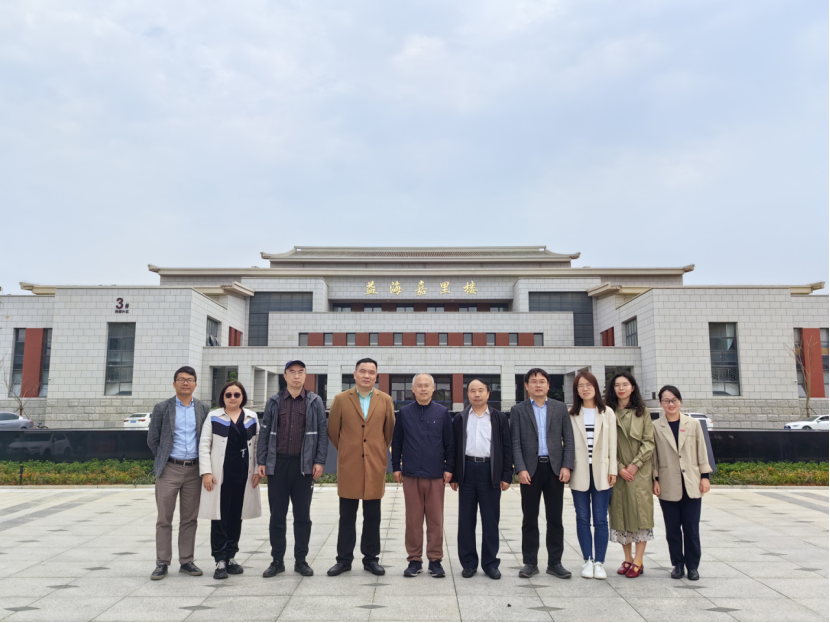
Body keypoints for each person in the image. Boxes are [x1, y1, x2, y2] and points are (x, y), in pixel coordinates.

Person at [256, 360, 328, 578]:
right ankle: (277, 561)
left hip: (303, 466)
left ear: (305, 376)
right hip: (278, 464)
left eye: (301, 372)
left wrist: (319, 460)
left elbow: (322, 432)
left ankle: (301, 560)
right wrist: (261, 461)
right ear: (285, 376)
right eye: (292, 372)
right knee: (277, 516)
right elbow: (264, 432)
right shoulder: (274, 401)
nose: (297, 376)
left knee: (302, 516)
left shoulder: (314, 401)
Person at [327, 358, 396, 577]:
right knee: (347, 516)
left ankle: (371, 559)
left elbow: (389, 432)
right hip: (350, 465)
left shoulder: (385, 400)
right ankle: (343, 560)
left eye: (371, 372)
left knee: (373, 516)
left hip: (374, 465)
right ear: (355, 374)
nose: (367, 375)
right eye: (363, 371)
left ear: (376, 376)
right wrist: (349, 450)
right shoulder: (341, 399)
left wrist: (376, 451)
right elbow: (333, 431)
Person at [146, 366, 211, 580]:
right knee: (164, 518)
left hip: (194, 470)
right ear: (174, 384)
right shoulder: (162, 407)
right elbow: (153, 439)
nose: (185, 383)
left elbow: (206, 438)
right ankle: (162, 563)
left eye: (189, 379)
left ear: (195, 384)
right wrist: (164, 458)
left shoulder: (203, 408)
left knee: (189, 518)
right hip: (169, 469)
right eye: (181, 379)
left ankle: (186, 561)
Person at [510, 368, 575, 580]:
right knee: (529, 518)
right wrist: (520, 468)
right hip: (530, 469)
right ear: (526, 386)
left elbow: (569, 439)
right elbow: (515, 442)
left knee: (555, 518)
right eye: (533, 381)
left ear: (548, 385)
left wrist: (566, 466)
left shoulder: (559, 408)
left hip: (554, 469)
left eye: (542, 381)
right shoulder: (518, 410)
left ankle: (555, 563)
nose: (538, 385)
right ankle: (530, 562)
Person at [392, 374, 455, 579]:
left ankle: (435, 560)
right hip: (411, 474)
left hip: (435, 474)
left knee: (435, 519)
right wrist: (396, 467)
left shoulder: (442, 413)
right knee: (413, 519)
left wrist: (449, 467)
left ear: (433, 388)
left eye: (427, 385)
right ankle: (414, 559)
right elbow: (397, 441)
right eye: (419, 385)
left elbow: (450, 443)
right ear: (413, 389)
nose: (423, 389)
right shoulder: (404, 413)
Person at [450, 378, 513, 580]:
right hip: (467, 470)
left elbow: (507, 447)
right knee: (466, 520)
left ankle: (490, 563)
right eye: (472, 391)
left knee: (490, 520)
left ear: (488, 393)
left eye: (481, 390)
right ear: (467, 394)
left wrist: (506, 475)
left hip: (490, 471)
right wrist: (453, 474)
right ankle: (468, 563)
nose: (477, 394)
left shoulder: (499, 418)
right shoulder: (460, 418)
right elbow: (453, 448)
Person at [198, 381, 262, 580]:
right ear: (223, 397)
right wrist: (206, 472)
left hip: (243, 474)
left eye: (237, 394)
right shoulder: (214, 416)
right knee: (219, 517)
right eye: (228, 395)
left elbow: (258, 445)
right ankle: (220, 559)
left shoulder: (251, 417)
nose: (233, 398)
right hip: (220, 475)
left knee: (236, 516)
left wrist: (257, 470)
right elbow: (204, 445)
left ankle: (231, 556)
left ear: (243, 397)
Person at [652, 385, 712, 582]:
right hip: (667, 483)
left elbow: (702, 450)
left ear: (680, 401)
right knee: (672, 529)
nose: (671, 404)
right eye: (666, 400)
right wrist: (655, 479)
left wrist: (705, 476)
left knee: (691, 528)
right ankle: (677, 564)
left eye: (674, 400)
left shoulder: (693, 424)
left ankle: (692, 566)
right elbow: (654, 456)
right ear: (661, 403)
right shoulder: (655, 427)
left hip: (692, 482)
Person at [568, 371, 618, 580]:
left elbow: (613, 443)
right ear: (576, 390)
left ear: (595, 387)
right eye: (580, 386)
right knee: (582, 518)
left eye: (589, 384)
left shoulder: (607, 412)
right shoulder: (571, 414)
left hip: (602, 470)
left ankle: (600, 562)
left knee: (600, 519)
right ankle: (587, 560)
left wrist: (613, 469)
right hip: (579, 470)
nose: (585, 389)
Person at [606, 371, 655, 579]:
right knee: (621, 514)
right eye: (617, 385)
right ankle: (627, 558)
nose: (621, 388)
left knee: (641, 514)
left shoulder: (642, 412)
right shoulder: (607, 412)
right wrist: (618, 467)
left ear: (632, 387)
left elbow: (649, 441)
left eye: (625, 384)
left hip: (639, 473)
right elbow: (604, 444)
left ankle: (639, 560)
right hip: (617, 473)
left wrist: (635, 466)